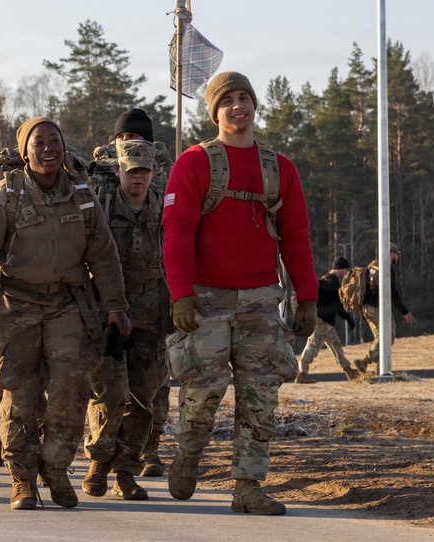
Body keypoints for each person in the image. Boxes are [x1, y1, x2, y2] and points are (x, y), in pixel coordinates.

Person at [161, 72, 318, 515]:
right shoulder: (194, 163)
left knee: (261, 397)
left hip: (261, 300)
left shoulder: (279, 168)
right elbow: (177, 231)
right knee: (202, 392)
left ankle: (247, 487)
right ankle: (189, 452)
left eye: (244, 97)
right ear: (214, 111)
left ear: (254, 104)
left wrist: (306, 296)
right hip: (206, 299)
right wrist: (182, 294)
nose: (237, 106)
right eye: (227, 100)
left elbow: (297, 236)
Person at [0, 117, 129, 510]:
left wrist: (116, 307)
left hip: (66, 304)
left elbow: (104, 255)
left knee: (72, 388)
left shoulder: (83, 197)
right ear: (25, 152)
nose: (49, 147)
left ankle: (54, 469)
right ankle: (21, 479)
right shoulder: (3, 197)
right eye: (39, 141)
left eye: (55, 140)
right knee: (21, 394)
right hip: (13, 305)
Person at [82, 139, 170, 501]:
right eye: (131, 170)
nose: (137, 177)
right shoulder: (100, 207)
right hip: (108, 310)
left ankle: (126, 471)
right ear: (117, 171)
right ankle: (99, 462)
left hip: (152, 310)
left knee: (143, 396)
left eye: (144, 170)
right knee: (110, 391)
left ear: (153, 172)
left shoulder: (165, 208)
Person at [296, 257, 361, 383]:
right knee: (313, 346)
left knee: (336, 346)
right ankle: (301, 373)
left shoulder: (325, 278)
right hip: (322, 321)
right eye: (346, 270)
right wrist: (348, 318)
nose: (346, 273)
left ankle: (348, 370)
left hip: (326, 321)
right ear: (340, 269)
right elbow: (337, 305)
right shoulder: (333, 282)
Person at [354, 243, 416, 373]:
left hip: (367, 309)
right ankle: (364, 360)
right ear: (391, 253)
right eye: (396, 255)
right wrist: (405, 312)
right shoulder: (386, 269)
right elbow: (391, 293)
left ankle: (379, 369)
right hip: (378, 309)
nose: (397, 258)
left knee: (380, 339)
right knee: (388, 338)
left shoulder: (371, 266)